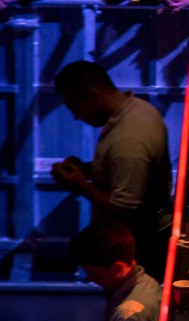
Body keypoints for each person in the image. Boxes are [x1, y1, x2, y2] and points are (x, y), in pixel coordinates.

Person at [51, 60, 172, 280]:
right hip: (141, 242)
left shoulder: (128, 140)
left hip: (139, 250)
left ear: (93, 95)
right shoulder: (139, 109)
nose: (76, 116)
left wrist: (81, 186)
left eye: (75, 107)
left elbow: (125, 209)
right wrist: (86, 169)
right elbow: (125, 172)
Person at [69, 220, 160, 321]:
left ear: (117, 268)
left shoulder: (128, 315)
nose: (89, 279)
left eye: (94, 273)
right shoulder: (148, 282)